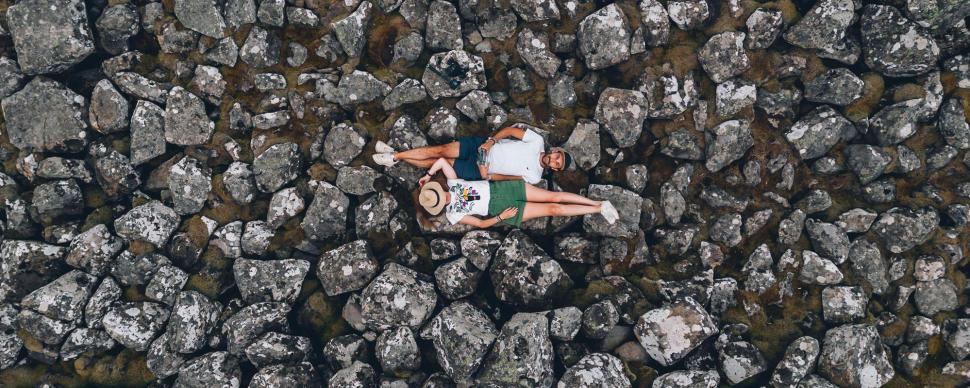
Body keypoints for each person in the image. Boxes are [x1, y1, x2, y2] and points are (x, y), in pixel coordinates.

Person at [414, 157, 619, 229]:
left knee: (553, 196)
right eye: (442, 201)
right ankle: (599, 209)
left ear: (439, 188)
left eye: (441, 193)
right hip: (500, 208)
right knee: (553, 209)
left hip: (504, 188)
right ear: (440, 206)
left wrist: (428, 175)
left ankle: (596, 202)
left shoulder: (453, 182)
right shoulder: (453, 215)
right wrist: (501, 217)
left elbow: (441, 161)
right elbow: (481, 223)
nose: (446, 197)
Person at [373, 126, 570, 184]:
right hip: (482, 146)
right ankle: (395, 156)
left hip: (479, 168)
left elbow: (510, 178)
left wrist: (487, 176)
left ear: (554, 169)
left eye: (556, 164)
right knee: (440, 150)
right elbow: (510, 130)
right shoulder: (537, 142)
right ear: (554, 151)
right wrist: (490, 141)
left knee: (436, 163)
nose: (553, 159)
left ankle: (394, 156)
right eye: (557, 156)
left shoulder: (535, 177)